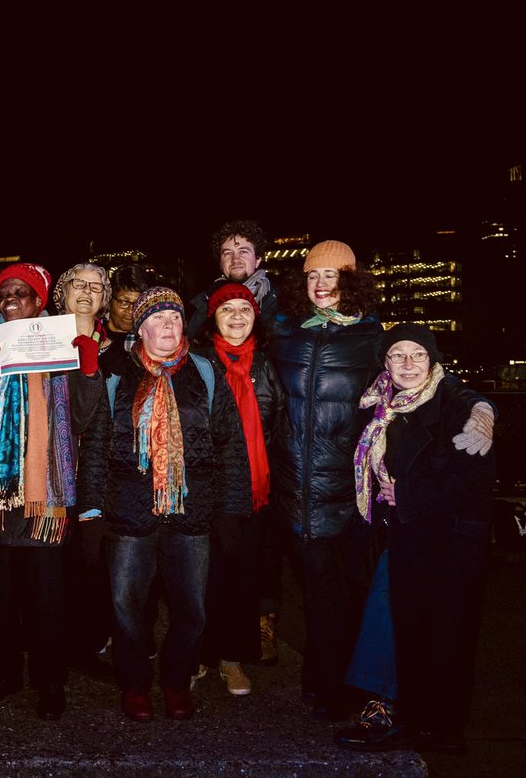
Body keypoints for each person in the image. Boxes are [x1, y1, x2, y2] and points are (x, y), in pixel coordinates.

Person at [269, 240, 495, 722]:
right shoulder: (285, 333)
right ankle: (327, 678)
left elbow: (431, 377)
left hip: (352, 492)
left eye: (332, 274)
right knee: (316, 590)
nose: (321, 284)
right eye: (312, 275)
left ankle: (345, 685)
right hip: (294, 489)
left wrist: (481, 408)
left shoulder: (371, 337)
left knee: (348, 591)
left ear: (351, 280)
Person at [336, 324, 496, 754]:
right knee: (402, 626)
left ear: (433, 360)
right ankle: (403, 714)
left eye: (418, 355)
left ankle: (436, 729)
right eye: (398, 355)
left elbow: (475, 484)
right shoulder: (382, 403)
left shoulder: (454, 403)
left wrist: (408, 493)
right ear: (385, 363)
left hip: (449, 544)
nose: (408, 364)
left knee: (443, 637)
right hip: (406, 534)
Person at [0, 262, 106, 720]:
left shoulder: (57, 345)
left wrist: (87, 368)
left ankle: (50, 680)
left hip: (42, 497)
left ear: (39, 302)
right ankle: (1, 674)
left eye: (20, 292)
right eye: (4, 292)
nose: (10, 299)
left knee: (46, 600)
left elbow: (80, 418)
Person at [100, 287, 249, 722]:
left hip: (191, 511)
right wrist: (92, 511)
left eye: (176, 317)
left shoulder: (204, 371)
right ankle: (134, 682)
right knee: (126, 605)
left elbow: (231, 445)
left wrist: (232, 510)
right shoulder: (117, 375)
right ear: (140, 328)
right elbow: (95, 448)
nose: (168, 325)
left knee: (191, 607)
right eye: (158, 318)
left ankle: (176, 680)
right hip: (131, 511)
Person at [192, 282, 284, 697]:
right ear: (213, 318)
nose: (236, 317)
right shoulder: (198, 362)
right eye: (226, 309)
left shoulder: (265, 364)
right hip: (208, 488)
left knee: (243, 577)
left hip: (254, 489)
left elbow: (280, 421)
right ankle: (198, 653)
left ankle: (231, 659)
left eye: (244, 310)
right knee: (202, 577)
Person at [51, 262, 115, 679]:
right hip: (50, 472)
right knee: (53, 567)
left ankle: (86, 645)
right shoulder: (41, 339)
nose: (88, 292)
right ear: (63, 292)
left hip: (97, 471)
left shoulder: (115, 348)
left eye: (97, 286)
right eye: (79, 284)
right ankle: (51, 647)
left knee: (91, 565)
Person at [185, 220, 278, 341]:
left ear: (257, 260)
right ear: (220, 263)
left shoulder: (282, 303)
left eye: (243, 252)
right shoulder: (203, 303)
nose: (235, 260)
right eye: (228, 253)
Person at [102, 263, 150, 357]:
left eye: (137, 304)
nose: (131, 311)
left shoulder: (150, 340)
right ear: (109, 300)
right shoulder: (93, 335)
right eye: (123, 302)